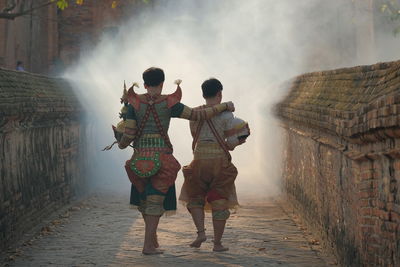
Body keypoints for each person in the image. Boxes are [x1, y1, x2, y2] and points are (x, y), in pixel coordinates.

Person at [115, 68, 235, 255]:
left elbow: (129, 134)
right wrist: (224, 106)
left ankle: (152, 241)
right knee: (155, 200)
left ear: (145, 84)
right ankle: (148, 245)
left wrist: (120, 143)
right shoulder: (169, 103)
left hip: (139, 159)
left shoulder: (134, 103)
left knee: (146, 200)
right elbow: (198, 115)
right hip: (162, 158)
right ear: (162, 83)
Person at [179, 78, 250, 252]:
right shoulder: (226, 115)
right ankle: (217, 243)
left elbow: (194, 135)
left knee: (195, 197)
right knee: (219, 200)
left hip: (199, 159)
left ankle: (201, 233)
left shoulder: (194, 115)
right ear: (219, 94)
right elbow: (237, 136)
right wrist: (231, 145)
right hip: (219, 161)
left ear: (203, 94)